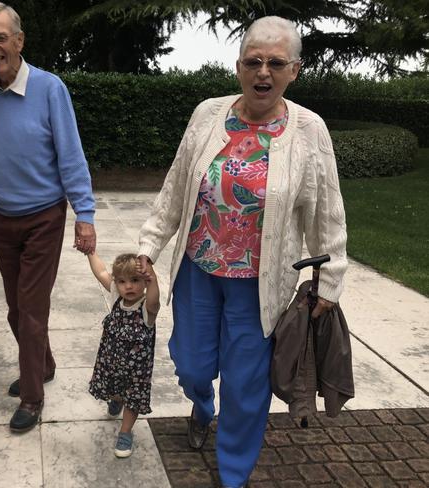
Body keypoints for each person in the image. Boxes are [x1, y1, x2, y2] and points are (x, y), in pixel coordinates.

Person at [136, 16, 348, 488]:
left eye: (276, 63)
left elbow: (327, 211)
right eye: (254, 61)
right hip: (198, 271)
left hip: (259, 283)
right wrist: (149, 246)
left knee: (245, 384)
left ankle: (233, 473)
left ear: (294, 69)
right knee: (191, 364)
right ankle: (200, 402)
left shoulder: (309, 130)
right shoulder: (207, 114)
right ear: (238, 67)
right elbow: (176, 188)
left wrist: (329, 279)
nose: (263, 73)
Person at [0, 2, 96, 434]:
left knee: (30, 311)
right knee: (15, 309)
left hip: (44, 217)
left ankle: (32, 397)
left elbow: (71, 157)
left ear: (19, 41)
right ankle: (42, 364)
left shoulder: (49, 89)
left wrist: (85, 213)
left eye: (0, 37)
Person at [87, 252, 160, 458]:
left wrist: (152, 278)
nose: (128, 286)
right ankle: (116, 398)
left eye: (135, 280)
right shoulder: (116, 297)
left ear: (145, 281)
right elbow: (101, 271)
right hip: (112, 360)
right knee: (115, 387)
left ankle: (125, 432)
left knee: (133, 398)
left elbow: (155, 299)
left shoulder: (147, 308)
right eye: (122, 281)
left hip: (137, 371)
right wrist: (90, 253)